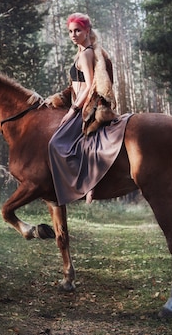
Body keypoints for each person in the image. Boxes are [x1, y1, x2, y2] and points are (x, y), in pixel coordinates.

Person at [45, 13, 132, 205]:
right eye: (70, 31)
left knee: (56, 143)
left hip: (86, 107)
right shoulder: (83, 51)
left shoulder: (86, 54)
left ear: (87, 31)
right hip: (81, 103)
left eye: (78, 30)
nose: (74, 34)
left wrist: (73, 110)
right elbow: (76, 85)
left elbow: (90, 85)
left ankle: (81, 185)